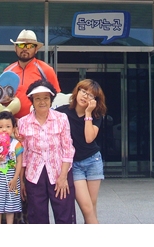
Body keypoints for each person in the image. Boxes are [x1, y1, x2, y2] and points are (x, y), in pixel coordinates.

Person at [17, 79, 76, 224]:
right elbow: (23, 153)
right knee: (37, 218)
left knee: (64, 216)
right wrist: (22, 181)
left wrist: (63, 177)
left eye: (46, 98)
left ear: (51, 100)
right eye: (37, 98)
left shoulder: (61, 118)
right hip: (34, 174)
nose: (42, 102)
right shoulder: (23, 122)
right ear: (32, 101)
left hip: (59, 172)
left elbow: (68, 149)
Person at [55, 79, 107, 224]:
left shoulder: (96, 115)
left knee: (92, 206)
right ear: (77, 91)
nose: (85, 96)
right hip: (74, 164)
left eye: (90, 95)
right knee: (86, 207)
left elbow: (89, 138)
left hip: (93, 161)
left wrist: (88, 113)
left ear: (95, 100)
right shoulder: (62, 112)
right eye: (83, 91)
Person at [4, 29, 61, 119]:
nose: (25, 48)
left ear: (36, 49)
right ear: (15, 48)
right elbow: (0, 99)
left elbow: (56, 98)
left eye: (29, 45)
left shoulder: (46, 70)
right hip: (13, 123)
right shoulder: (8, 71)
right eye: (21, 45)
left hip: (40, 122)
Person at [0, 111, 24, 224]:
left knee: (11, 205)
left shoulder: (16, 144)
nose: (4, 130)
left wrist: (15, 179)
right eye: (0, 127)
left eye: (8, 126)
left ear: (13, 128)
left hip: (12, 177)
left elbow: (20, 162)